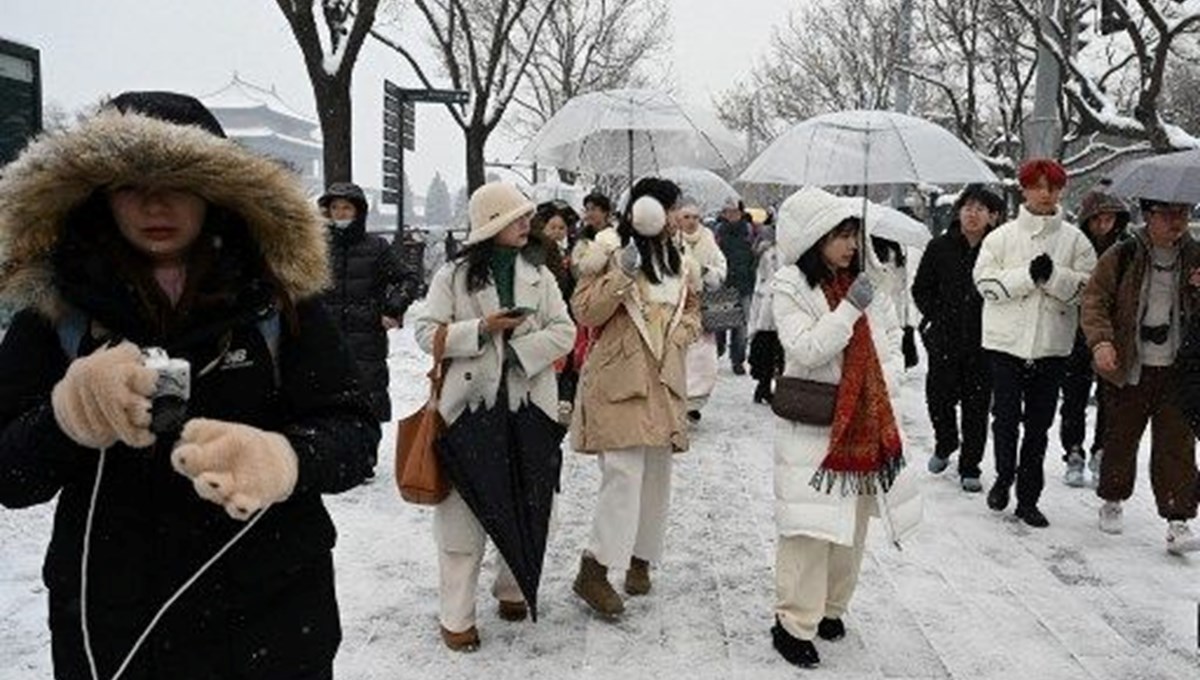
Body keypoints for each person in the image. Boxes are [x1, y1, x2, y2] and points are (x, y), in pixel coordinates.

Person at [0, 92, 379, 680]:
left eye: (180, 181)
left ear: (216, 191)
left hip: (271, 613)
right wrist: (67, 416)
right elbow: (10, 476)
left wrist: (283, 459)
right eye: (130, 185)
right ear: (98, 195)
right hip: (112, 620)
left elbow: (353, 433)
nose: (156, 203)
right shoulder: (54, 312)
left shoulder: (279, 300)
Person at [413, 181, 575, 651]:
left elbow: (565, 330)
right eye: (518, 217)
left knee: (532, 501)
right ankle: (456, 614)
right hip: (468, 413)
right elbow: (426, 334)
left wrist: (520, 350)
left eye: (528, 216)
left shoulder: (540, 274)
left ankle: (512, 587)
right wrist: (482, 330)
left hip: (529, 412)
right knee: (461, 519)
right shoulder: (454, 275)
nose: (529, 223)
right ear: (493, 224)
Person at [769, 187, 921, 669]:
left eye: (853, 234)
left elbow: (889, 341)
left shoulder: (864, 281)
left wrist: (886, 383)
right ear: (815, 239)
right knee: (809, 530)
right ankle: (793, 621)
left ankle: (832, 608)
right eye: (841, 235)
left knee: (851, 529)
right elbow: (808, 349)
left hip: (863, 423)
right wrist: (850, 310)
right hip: (816, 423)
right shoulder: (790, 286)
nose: (851, 245)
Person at [569, 178, 701, 619]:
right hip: (619, 376)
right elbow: (584, 312)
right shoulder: (607, 251)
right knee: (623, 476)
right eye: (670, 207)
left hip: (664, 379)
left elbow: (693, 311)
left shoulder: (680, 258)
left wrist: (680, 336)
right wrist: (622, 273)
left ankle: (641, 558)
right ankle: (596, 568)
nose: (676, 215)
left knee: (657, 476)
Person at [974, 158, 1096, 527]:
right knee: (1005, 419)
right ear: (1024, 189)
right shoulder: (1001, 237)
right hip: (1005, 345)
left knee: (1039, 426)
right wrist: (1027, 277)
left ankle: (1029, 497)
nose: (1046, 194)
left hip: (1052, 348)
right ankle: (1003, 477)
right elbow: (986, 283)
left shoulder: (1075, 240)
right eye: (1038, 186)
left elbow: (1087, 287)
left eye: (1054, 187)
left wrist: (1055, 277)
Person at [1081, 196, 1200, 554]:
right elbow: (1094, 300)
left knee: (1177, 445)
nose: (1177, 222)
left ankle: (1178, 520)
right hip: (1128, 363)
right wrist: (1101, 342)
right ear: (1148, 216)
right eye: (1168, 214)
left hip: (1179, 369)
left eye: (1184, 213)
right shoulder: (1123, 255)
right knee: (1121, 436)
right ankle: (1112, 498)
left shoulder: (1196, 257)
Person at [912, 184, 1005, 492]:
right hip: (945, 338)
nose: (972, 214)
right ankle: (945, 441)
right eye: (968, 207)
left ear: (993, 216)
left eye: (980, 209)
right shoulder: (939, 247)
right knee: (939, 398)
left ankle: (970, 466)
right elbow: (920, 289)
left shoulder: (999, 250)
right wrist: (937, 316)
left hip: (985, 342)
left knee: (977, 407)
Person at [318, 182, 422, 426]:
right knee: (327, 405)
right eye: (335, 208)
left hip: (366, 340)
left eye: (347, 207)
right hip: (326, 339)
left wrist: (392, 308)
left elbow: (408, 279)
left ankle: (365, 459)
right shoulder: (318, 247)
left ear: (358, 212)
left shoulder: (376, 248)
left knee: (367, 402)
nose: (341, 213)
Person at [1059, 187, 1130, 487]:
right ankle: (1073, 451)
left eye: (1109, 219)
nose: (1103, 225)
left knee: (1109, 398)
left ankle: (1101, 451)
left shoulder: (1128, 249)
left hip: (1114, 334)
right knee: (1074, 398)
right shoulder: (1076, 247)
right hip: (1076, 332)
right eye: (1097, 219)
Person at [674, 201, 727, 419]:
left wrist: (705, 271)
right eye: (686, 217)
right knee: (679, 355)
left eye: (695, 217)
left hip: (704, 306)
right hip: (678, 305)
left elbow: (721, 270)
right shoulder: (673, 240)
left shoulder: (708, 239)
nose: (691, 221)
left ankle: (694, 401)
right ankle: (679, 399)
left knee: (703, 358)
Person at [714, 196, 756, 374]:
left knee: (741, 326)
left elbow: (755, 255)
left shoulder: (749, 230)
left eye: (735, 211)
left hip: (744, 282)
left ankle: (737, 360)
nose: (731, 215)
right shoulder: (717, 231)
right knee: (720, 323)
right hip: (723, 282)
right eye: (728, 211)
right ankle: (717, 352)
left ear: (741, 212)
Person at [748, 222, 783, 404]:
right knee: (769, 350)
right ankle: (764, 386)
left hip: (775, 304)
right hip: (768, 304)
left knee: (774, 351)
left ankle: (766, 387)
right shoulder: (767, 252)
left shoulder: (783, 251)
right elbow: (761, 276)